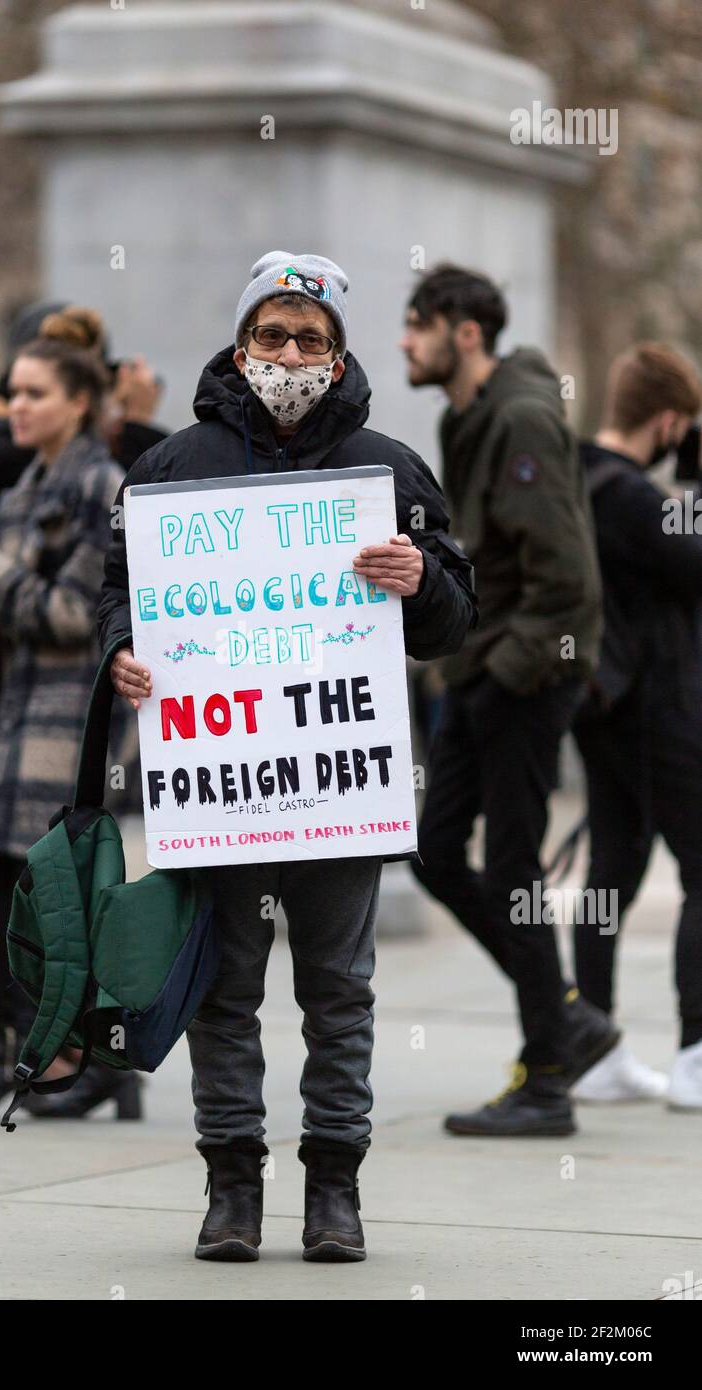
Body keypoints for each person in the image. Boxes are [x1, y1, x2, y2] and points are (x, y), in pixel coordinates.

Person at [98, 250, 476, 1263]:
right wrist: (122, 656)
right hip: (220, 793)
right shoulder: (170, 470)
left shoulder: (388, 468)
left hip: (334, 791)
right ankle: (231, 1192)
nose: (289, 354)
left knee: (337, 993)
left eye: (311, 338)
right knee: (223, 991)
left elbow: (450, 616)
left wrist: (419, 578)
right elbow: (115, 596)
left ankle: (333, 1193)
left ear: (338, 352)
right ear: (239, 344)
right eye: (271, 334)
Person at [400, 263, 615, 1137]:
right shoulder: (469, 418)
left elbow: (568, 583)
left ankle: (550, 1078)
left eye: (417, 326)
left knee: (517, 869)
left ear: (465, 331)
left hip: (526, 678)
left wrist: (503, 675)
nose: (406, 343)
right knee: (437, 852)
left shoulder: (521, 418)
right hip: (483, 674)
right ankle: (565, 1016)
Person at [0, 308, 138, 1119]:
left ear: (80, 401)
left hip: (73, 711)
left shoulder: (100, 487)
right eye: (12, 392)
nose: (14, 405)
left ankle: (84, 1060)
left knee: (49, 886)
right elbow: (16, 614)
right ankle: (30, 1047)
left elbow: (74, 613)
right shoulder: (19, 490)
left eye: (34, 393)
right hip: (16, 708)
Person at [568, 344, 702, 1107]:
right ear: (670, 420)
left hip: (605, 713)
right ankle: (696, 1053)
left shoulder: (580, 479)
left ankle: (593, 1049)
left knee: (608, 880)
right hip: (664, 712)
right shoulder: (634, 500)